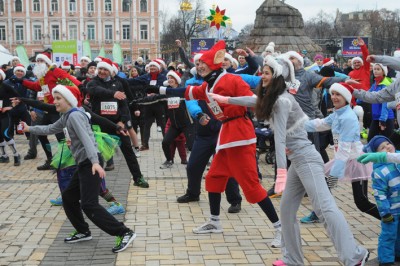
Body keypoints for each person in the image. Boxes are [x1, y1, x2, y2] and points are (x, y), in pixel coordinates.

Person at [208, 54, 369, 266]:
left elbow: (280, 137)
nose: (261, 76)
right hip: (297, 161)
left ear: (277, 76)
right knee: (286, 210)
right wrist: (225, 100)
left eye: (266, 73)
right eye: (262, 72)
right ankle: (292, 259)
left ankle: (354, 255)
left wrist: (281, 174)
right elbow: (252, 100)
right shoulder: (275, 98)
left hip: (306, 158)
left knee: (324, 208)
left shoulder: (283, 101)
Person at [152, 40, 282, 247]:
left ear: (214, 64)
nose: (199, 66)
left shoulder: (231, 79)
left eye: (203, 62)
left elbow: (253, 101)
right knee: (214, 177)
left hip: (240, 134)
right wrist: (157, 91)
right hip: (227, 135)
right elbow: (186, 93)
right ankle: (214, 222)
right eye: (198, 63)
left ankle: (280, 229)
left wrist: (227, 100)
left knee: (251, 185)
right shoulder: (207, 85)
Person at [20, 85, 136, 253]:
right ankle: (83, 231)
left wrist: (95, 162)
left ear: (69, 100)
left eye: (59, 98)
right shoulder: (67, 115)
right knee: (68, 197)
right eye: (55, 98)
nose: (55, 101)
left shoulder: (74, 116)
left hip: (90, 162)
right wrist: (29, 128)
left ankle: (124, 232)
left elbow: (86, 139)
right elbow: (50, 128)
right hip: (83, 163)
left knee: (89, 205)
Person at [303, 82, 380, 222]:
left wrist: (334, 175)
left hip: (356, 161)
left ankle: (390, 221)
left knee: (361, 202)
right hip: (342, 159)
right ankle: (319, 213)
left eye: (338, 94)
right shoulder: (337, 114)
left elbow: (344, 150)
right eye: (332, 94)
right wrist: (297, 124)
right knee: (324, 186)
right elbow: (320, 124)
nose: (334, 97)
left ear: (346, 97)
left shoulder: (348, 118)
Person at [86, 58, 149, 188]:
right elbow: (94, 90)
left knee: (128, 151)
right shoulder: (93, 83)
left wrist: (123, 121)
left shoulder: (118, 83)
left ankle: (138, 178)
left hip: (117, 124)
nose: (102, 72)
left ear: (110, 71)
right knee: (95, 156)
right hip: (100, 125)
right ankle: (91, 184)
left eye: (105, 70)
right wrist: (113, 93)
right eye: (101, 69)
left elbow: (124, 106)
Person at [23, 53, 82, 170]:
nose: (38, 63)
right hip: (48, 109)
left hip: (59, 110)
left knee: (61, 137)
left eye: (41, 61)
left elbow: (69, 79)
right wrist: (21, 81)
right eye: (37, 61)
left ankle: (66, 162)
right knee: (41, 133)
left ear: (47, 63)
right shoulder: (43, 77)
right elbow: (36, 86)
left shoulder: (55, 71)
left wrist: (82, 87)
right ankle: (50, 160)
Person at [360, 135, 400, 266]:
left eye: (387, 144)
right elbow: (379, 194)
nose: (387, 147)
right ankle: (386, 259)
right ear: (375, 154)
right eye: (382, 147)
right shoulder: (380, 171)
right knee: (389, 235)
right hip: (391, 210)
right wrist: (385, 212)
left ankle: (398, 254)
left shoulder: (398, 159)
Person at [364, 63, 394, 141]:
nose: (375, 71)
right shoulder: (375, 84)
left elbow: (385, 104)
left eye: (378, 69)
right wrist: (355, 98)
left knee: (387, 142)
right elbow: (367, 94)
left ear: (383, 72)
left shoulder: (385, 85)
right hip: (376, 117)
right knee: (371, 140)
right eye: (374, 69)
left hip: (386, 118)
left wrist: (383, 119)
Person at [0, 69, 21, 165]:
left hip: (5, 115)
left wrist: (10, 107)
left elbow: (18, 98)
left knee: (6, 134)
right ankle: (4, 156)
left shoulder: (5, 86)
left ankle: (16, 154)